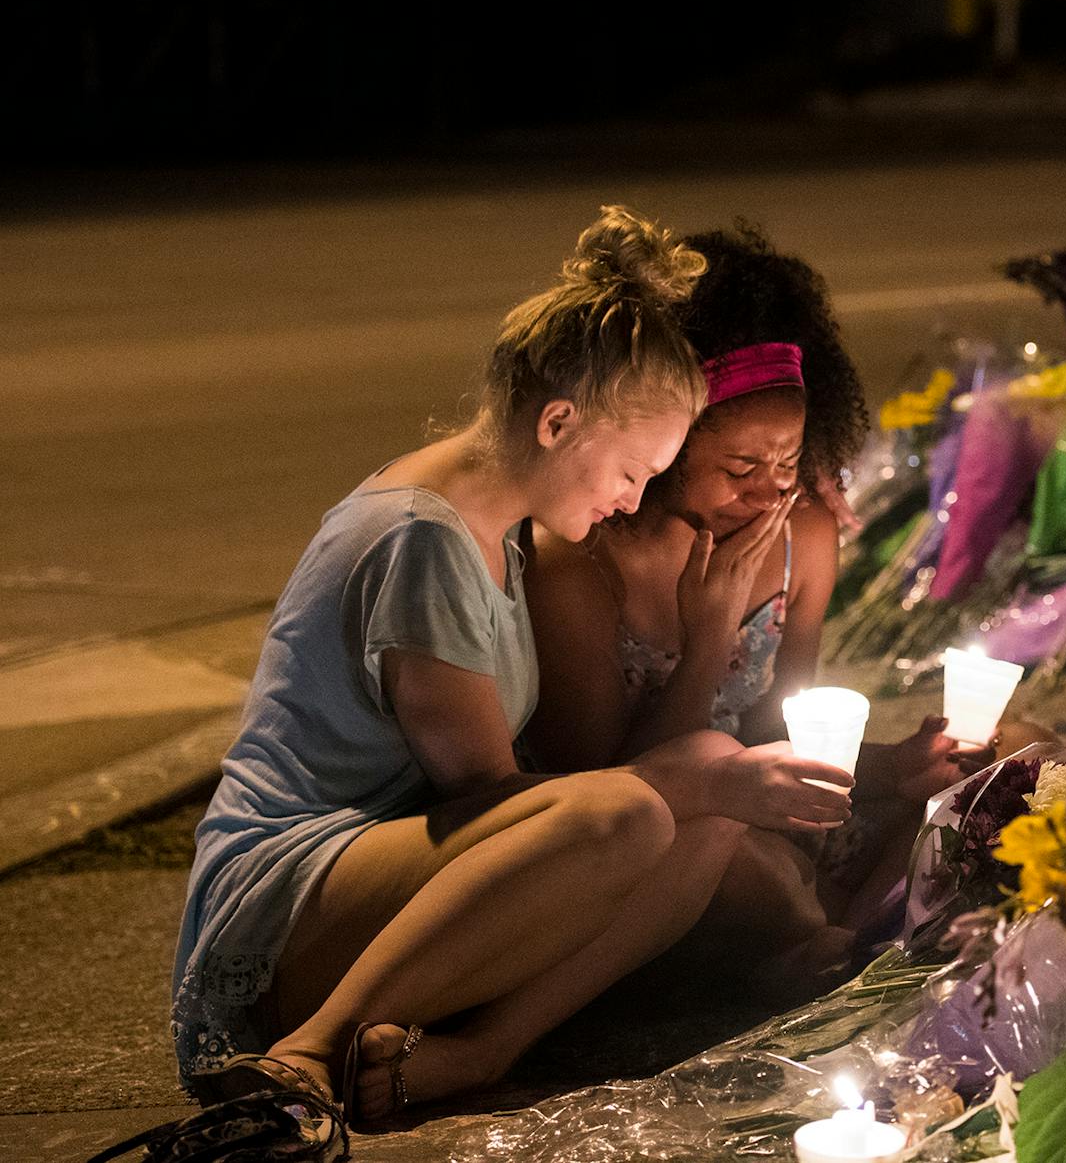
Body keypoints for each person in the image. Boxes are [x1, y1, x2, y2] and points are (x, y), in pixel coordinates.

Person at [170, 207, 855, 1127]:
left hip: (402, 886)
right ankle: (310, 1048)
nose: (632, 499)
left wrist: (702, 784)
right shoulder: (426, 540)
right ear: (560, 421)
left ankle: (479, 1050)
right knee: (630, 807)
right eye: (631, 471)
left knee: (703, 812)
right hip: (291, 897)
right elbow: (491, 799)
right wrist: (676, 774)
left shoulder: (500, 527)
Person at [524, 224, 965, 969]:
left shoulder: (804, 536)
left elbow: (778, 729)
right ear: (664, 445)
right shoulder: (580, 564)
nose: (769, 491)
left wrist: (896, 766)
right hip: (671, 845)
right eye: (740, 465)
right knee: (740, 864)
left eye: (789, 461)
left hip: (774, 819)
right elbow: (609, 802)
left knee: (1015, 762)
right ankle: (848, 941)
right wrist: (710, 637)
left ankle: (843, 941)